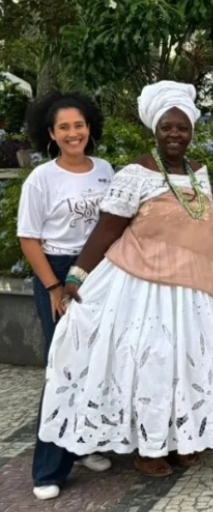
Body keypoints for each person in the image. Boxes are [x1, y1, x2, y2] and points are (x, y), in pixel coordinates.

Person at [36, 81, 213, 478]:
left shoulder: (199, 172)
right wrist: (76, 276)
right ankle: (149, 447)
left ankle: (182, 439)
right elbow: (108, 229)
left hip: (198, 291)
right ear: (155, 130)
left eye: (182, 128)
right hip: (147, 289)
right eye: (167, 127)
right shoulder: (136, 173)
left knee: (189, 365)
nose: (175, 134)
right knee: (154, 365)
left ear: (192, 132)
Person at [18, 91, 113, 500]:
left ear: (89, 127)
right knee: (63, 368)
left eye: (79, 125)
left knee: (96, 362)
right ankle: (48, 469)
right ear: (51, 134)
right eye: (64, 128)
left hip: (98, 271)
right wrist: (55, 287)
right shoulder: (42, 179)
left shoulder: (105, 170)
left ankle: (85, 444)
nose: (73, 133)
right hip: (56, 270)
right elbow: (29, 239)